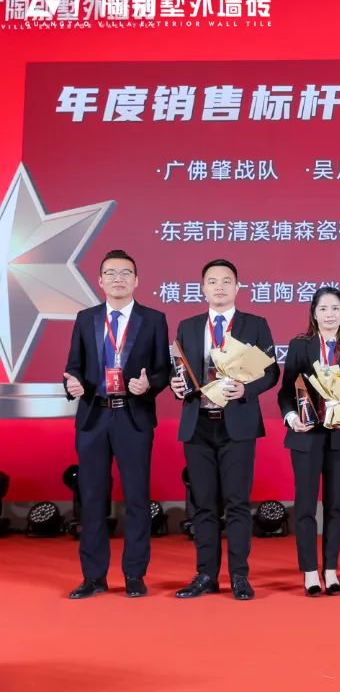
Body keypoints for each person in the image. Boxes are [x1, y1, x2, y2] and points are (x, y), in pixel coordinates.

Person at [63, 249, 171, 599]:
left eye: (125, 273)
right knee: (92, 498)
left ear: (136, 280)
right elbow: (73, 366)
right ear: (100, 280)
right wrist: (71, 384)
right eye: (111, 273)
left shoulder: (153, 319)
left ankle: (134, 575)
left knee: (137, 498)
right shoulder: (86, 318)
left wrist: (148, 385)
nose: (118, 279)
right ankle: (93, 576)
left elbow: (163, 370)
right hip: (94, 416)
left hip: (132, 416)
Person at [171, 259, 279, 601]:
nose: (219, 286)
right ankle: (205, 574)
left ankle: (239, 576)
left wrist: (246, 389)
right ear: (202, 288)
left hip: (237, 424)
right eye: (212, 281)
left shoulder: (255, 325)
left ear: (237, 287)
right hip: (198, 423)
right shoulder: (188, 326)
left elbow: (271, 372)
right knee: (203, 504)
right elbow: (180, 371)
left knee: (237, 503)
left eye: (226, 280)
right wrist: (176, 385)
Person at [278, 287, 340, 597]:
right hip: (306, 434)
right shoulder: (300, 346)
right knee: (305, 506)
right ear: (314, 314)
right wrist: (292, 417)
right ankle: (310, 572)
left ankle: (331, 569)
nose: (329, 314)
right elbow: (285, 391)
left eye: (335, 308)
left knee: (335, 506)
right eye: (323, 309)